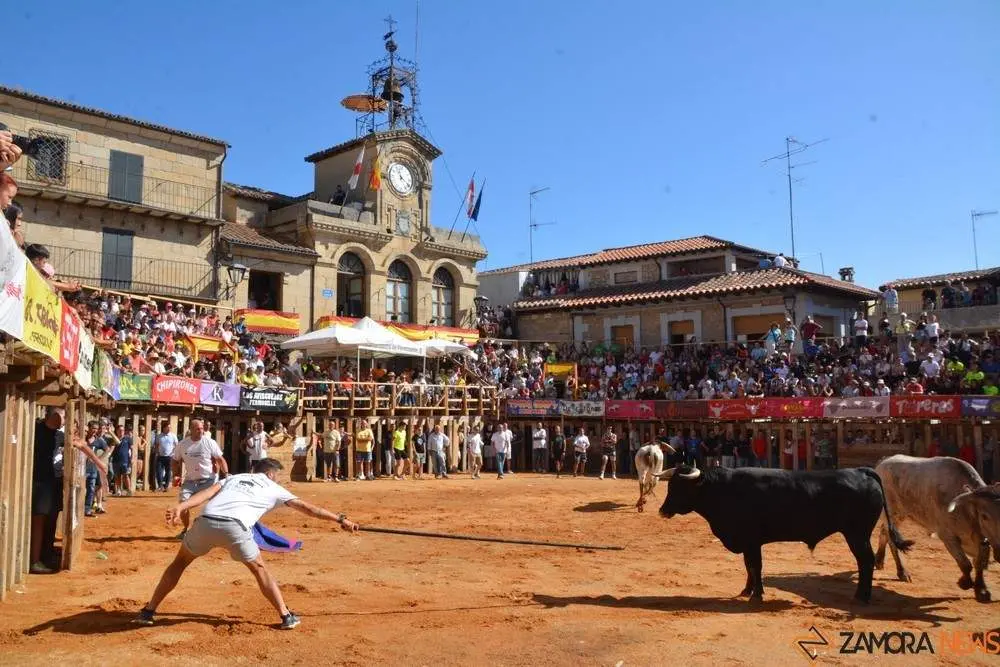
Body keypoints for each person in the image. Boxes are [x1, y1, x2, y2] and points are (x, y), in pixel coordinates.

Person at [133, 458, 359, 630]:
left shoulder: (233, 478)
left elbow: (206, 493)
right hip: (235, 527)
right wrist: (340, 520)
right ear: (270, 474)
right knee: (259, 569)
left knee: (179, 563)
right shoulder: (273, 487)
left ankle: (148, 611)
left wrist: (182, 507)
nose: (277, 479)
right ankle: (285, 615)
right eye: (277, 475)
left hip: (206, 521)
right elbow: (309, 509)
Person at [30, 408, 107, 574]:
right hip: (40, 483)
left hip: (53, 482)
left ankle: (46, 554)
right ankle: (35, 561)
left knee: (50, 520)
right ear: (56, 416)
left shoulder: (58, 435)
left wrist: (99, 463)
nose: (66, 420)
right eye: (65, 416)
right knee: (38, 521)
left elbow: (81, 444)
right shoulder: (35, 428)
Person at [173, 419, 228, 537]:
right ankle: (185, 529)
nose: (201, 431)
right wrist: (175, 474)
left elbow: (220, 459)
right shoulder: (182, 444)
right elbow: (174, 460)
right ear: (191, 430)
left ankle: (219, 531)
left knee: (217, 505)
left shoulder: (209, 442)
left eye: (202, 428)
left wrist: (227, 474)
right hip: (190, 481)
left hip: (209, 481)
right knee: (183, 504)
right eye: (198, 429)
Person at [155, 422, 178, 492]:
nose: (169, 429)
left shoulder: (173, 436)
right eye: (168, 427)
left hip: (169, 456)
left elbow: (177, 445)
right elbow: (156, 445)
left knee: (168, 471)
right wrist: (157, 452)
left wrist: (174, 453)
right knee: (159, 471)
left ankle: (166, 486)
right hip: (160, 456)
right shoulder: (159, 436)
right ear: (164, 428)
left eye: (170, 427)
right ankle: (160, 486)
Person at [113, 424, 134, 497]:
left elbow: (132, 449)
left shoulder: (128, 438)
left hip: (125, 460)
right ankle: (118, 490)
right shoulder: (114, 438)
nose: (121, 431)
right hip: (115, 460)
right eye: (120, 430)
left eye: (122, 430)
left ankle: (129, 490)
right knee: (117, 476)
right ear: (117, 431)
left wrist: (132, 458)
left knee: (126, 476)